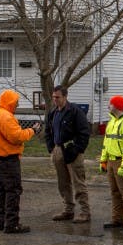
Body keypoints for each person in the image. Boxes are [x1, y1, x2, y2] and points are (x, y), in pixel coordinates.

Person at [0, 89, 41, 234]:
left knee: (3, 188)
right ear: (10, 102)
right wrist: (32, 131)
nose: (17, 105)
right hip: (8, 158)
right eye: (16, 102)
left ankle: (2, 220)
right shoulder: (6, 117)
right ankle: (12, 223)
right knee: (13, 190)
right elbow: (17, 136)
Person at [45, 85, 91, 223]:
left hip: (73, 151)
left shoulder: (75, 111)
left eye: (57, 97)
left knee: (78, 182)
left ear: (65, 96)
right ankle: (68, 209)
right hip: (58, 150)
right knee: (63, 182)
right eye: (53, 97)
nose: (55, 100)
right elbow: (48, 131)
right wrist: (51, 148)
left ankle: (85, 211)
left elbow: (84, 132)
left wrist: (77, 149)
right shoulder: (53, 113)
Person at [99, 94, 123, 232]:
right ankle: (117, 220)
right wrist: (103, 160)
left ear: (116, 106)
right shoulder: (112, 122)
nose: (108, 106)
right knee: (115, 192)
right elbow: (106, 143)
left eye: (110, 104)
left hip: (122, 161)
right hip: (111, 161)